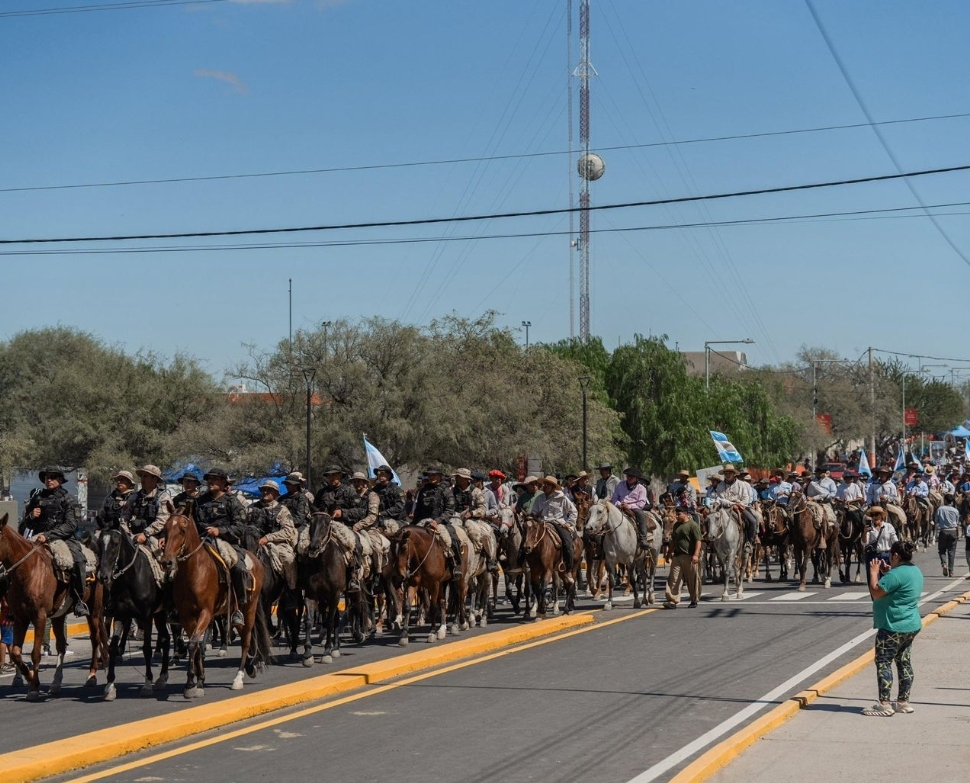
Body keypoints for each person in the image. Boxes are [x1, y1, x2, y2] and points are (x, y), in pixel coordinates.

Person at [863, 540, 923, 716]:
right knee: (903, 662)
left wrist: (874, 573)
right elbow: (900, 583)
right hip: (910, 625)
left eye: (890, 555)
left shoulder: (895, 575)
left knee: (883, 662)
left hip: (892, 625)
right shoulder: (914, 571)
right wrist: (888, 572)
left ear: (896, 555)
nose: (889, 558)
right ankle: (903, 701)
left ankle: (884, 704)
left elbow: (876, 591)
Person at [21, 467, 88, 616]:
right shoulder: (37, 499)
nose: (49, 480)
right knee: (18, 560)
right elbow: (28, 524)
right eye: (46, 477)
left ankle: (79, 600)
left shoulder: (68, 499)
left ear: (60, 480)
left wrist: (48, 535)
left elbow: (70, 525)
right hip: (38, 538)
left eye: (52, 477)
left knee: (78, 560)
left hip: (63, 539)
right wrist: (31, 516)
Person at [194, 468, 252, 628]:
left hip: (226, 542)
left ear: (223, 483)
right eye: (209, 479)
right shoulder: (199, 501)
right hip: (201, 540)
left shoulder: (232, 501)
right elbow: (192, 522)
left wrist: (220, 531)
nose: (211, 482)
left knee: (239, 568)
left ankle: (238, 608)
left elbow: (241, 527)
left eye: (215, 479)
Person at [248, 480, 298, 590]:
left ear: (276, 494)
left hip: (277, 545)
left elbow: (288, 530)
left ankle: (291, 591)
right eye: (263, 490)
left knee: (289, 559)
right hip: (252, 543)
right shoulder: (251, 508)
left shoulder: (282, 510)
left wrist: (268, 538)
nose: (265, 492)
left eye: (269, 490)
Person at [411, 466, 460, 576]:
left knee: (451, 539)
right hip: (422, 523)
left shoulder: (446, 491)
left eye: (434, 475)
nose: (431, 477)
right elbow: (418, 509)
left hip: (440, 523)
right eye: (429, 475)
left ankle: (455, 565)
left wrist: (437, 521)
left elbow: (449, 510)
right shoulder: (423, 490)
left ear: (440, 476)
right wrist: (413, 524)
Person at [451, 468, 498, 573]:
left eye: (458, 477)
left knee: (486, 533)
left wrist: (472, 513)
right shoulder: (451, 491)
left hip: (473, 520)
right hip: (455, 518)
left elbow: (482, 508)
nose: (456, 479)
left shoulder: (476, 491)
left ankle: (490, 559)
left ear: (465, 479)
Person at [531, 476, 578, 577]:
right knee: (527, 538)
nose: (545, 486)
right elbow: (533, 512)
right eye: (544, 484)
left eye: (547, 485)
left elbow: (573, 511)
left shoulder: (562, 498)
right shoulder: (539, 498)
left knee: (567, 541)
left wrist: (569, 523)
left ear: (553, 487)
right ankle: (521, 563)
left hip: (558, 523)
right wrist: (534, 516)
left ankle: (568, 568)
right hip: (542, 523)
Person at [662, 507, 703, 609]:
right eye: (676, 514)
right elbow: (673, 542)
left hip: (689, 557)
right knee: (674, 578)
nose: (677, 516)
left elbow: (698, 541)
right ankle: (672, 600)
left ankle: (694, 599)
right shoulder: (676, 525)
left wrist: (696, 555)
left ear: (685, 514)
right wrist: (668, 554)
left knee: (692, 579)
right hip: (677, 556)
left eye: (679, 514)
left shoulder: (693, 525)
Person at [127, 465, 174, 551]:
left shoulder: (163, 498)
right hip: (132, 534)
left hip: (155, 537)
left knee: (161, 557)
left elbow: (162, 521)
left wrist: (145, 534)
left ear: (155, 479)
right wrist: (125, 532)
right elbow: (125, 516)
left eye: (146, 476)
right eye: (142, 476)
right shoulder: (133, 497)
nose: (142, 479)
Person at [714, 465, 759, 548]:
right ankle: (712, 541)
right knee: (711, 519)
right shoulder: (720, 485)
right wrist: (733, 504)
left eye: (729, 473)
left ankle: (749, 542)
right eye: (726, 473)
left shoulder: (742, 484)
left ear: (734, 474)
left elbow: (746, 498)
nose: (727, 475)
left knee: (753, 520)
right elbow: (721, 499)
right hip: (725, 508)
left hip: (741, 507)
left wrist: (739, 505)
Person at [611, 467, 651, 548]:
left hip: (634, 508)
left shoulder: (641, 488)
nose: (629, 478)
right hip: (619, 506)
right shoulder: (620, 485)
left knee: (640, 514)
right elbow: (615, 497)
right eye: (628, 476)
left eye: (631, 477)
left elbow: (641, 503)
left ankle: (643, 538)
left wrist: (628, 506)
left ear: (636, 478)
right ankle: (601, 540)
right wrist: (619, 504)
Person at [371, 465, 406, 529]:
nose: (380, 476)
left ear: (389, 475)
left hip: (396, 520)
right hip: (379, 519)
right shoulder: (375, 489)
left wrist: (382, 513)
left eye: (382, 474)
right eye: (378, 474)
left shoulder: (396, 489)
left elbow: (399, 506)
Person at [934, 493, 959, 577]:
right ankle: (951, 571)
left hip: (943, 531)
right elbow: (957, 522)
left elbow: (936, 520)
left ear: (945, 500)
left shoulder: (940, 509)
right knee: (951, 552)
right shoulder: (955, 510)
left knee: (941, 550)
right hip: (953, 531)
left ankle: (944, 563)